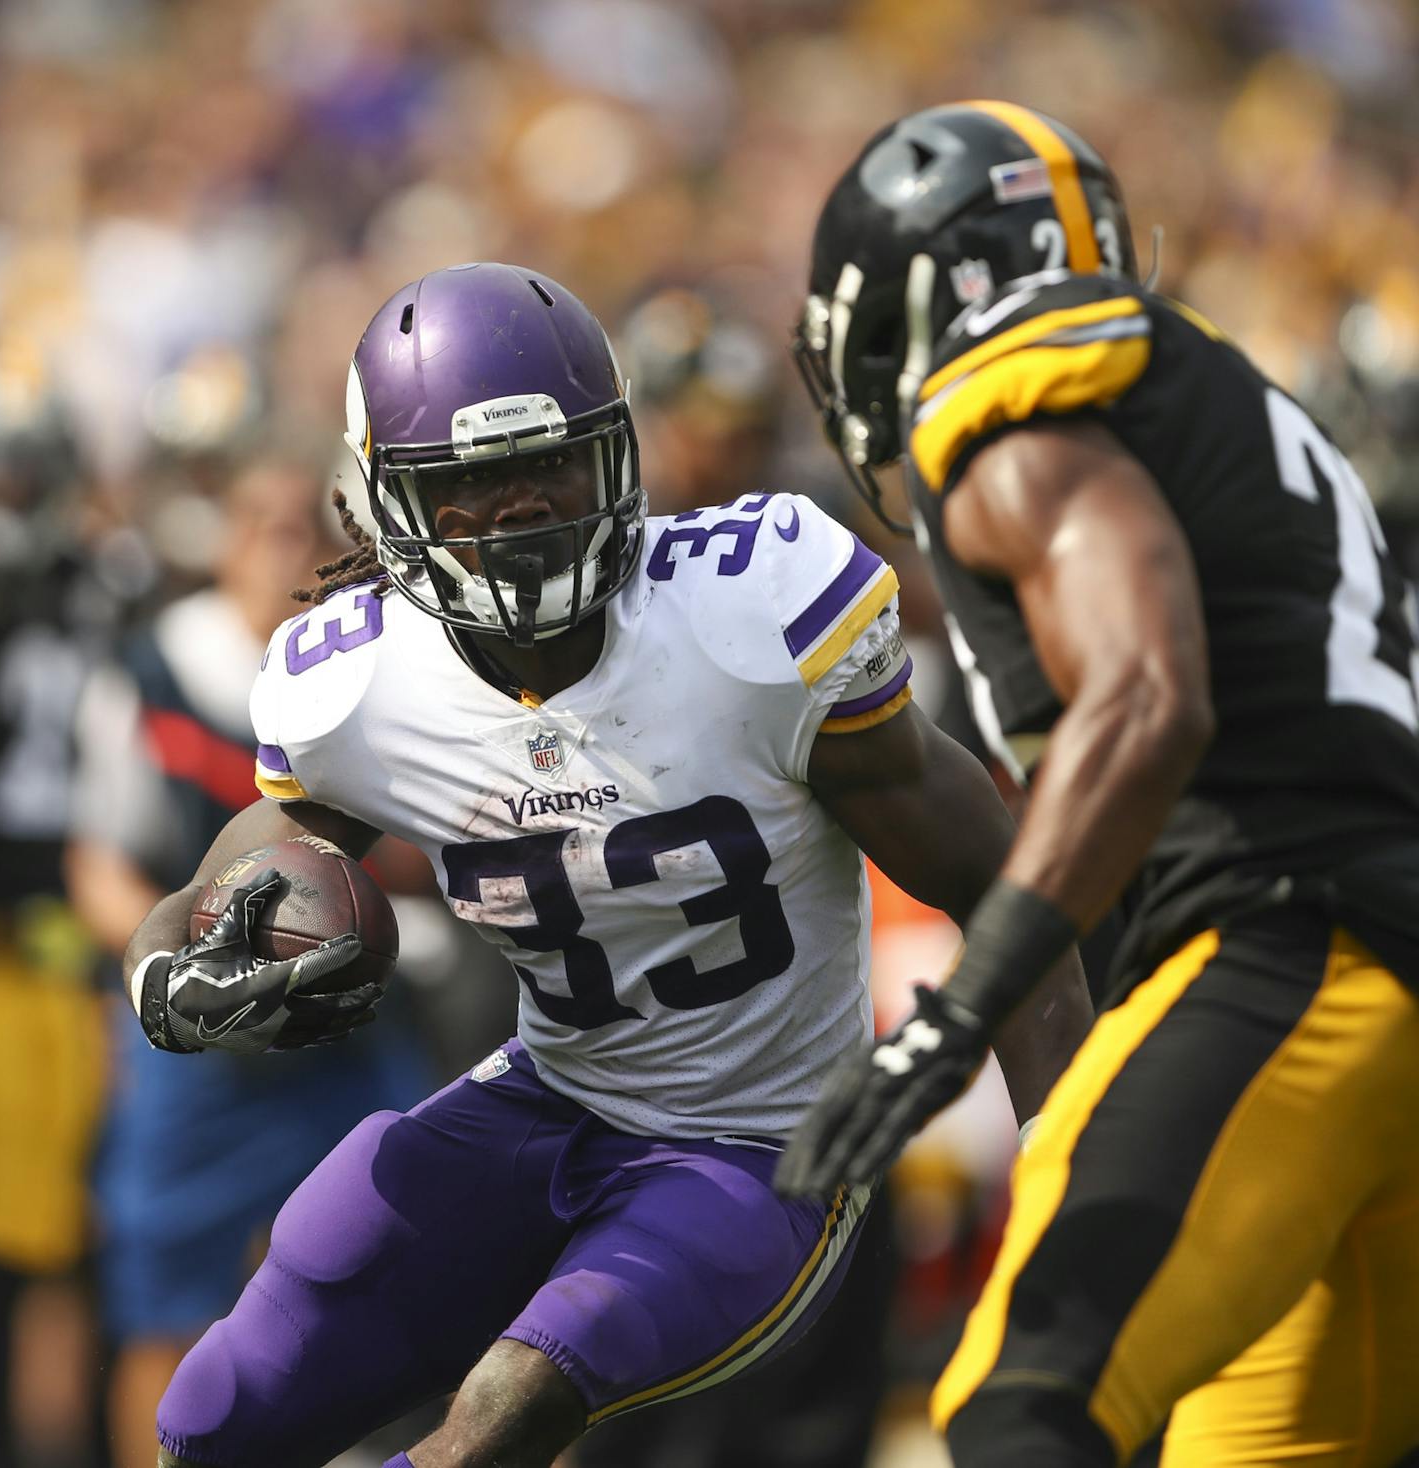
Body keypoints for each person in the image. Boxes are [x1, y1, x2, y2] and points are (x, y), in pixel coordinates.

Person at [121, 261, 1091, 1468]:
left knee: (505, 1408)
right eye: (468, 482)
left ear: (617, 451)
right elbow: (263, 854)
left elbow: (1008, 892)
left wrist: (1071, 1169)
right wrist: (167, 957)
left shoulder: (751, 616)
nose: (519, 508)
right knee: (224, 1401)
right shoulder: (356, 685)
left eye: (546, 463)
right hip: (552, 1094)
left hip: (763, 1141)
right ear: (384, 504)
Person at [777, 101, 1419, 1468]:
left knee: (1023, 1395)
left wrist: (962, 1011)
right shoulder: (1230, 398)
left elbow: (1145, 697)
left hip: (1290, 955)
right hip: (1383, 970)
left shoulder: (1006, 399)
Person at [65, 462, 433, 1468]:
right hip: (203, 1039)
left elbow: (424, 855)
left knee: (429, 1266)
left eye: (297, 526)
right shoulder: (154, 669)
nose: (277, 544)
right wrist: (193, 966)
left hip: (348, 1020)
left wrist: (334, 924)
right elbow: (100, 861)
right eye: (257, 522)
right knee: (169, 1306)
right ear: (223, 538)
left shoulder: (376, 674)